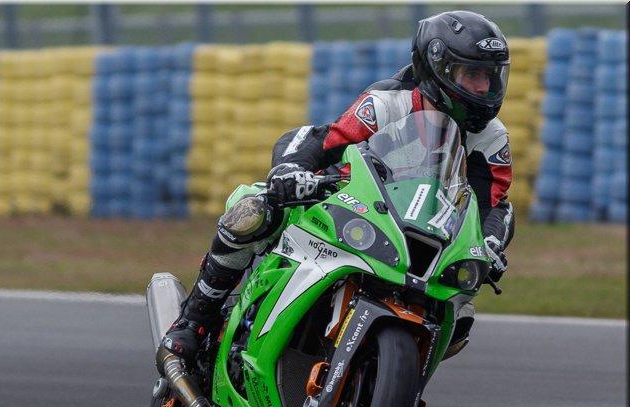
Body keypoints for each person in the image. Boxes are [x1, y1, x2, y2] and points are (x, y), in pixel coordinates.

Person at [158, 10, 514, 369]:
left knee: (460, 310)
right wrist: (291, 171)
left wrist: (489, 243)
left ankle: (390, 380)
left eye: (490, 76)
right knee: (251, 211)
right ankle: (193, 320)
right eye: (472, 74)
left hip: (422, 234)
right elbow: (326, 141)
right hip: (346, 202)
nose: (483, 88)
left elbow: (492, 205)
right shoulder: (388, 102)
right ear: (438, 68)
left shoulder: (492, 137)